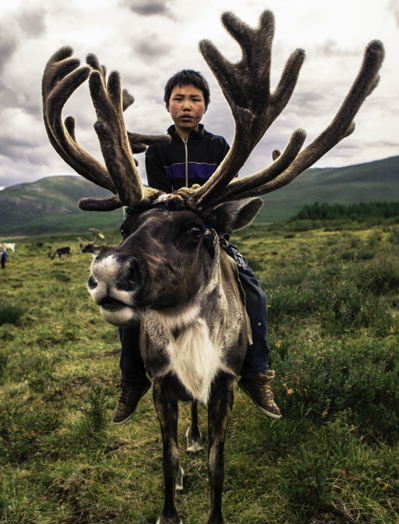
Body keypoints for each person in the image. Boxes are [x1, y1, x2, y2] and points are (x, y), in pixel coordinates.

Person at [112, 69, 281, 425]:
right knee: (129, 299)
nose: (186, 106)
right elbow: (156, 201)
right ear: (168, 106)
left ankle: (256, 374)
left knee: (254, 293)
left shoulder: (219, 146)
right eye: (178, 99)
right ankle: (132, 379)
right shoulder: (157, 150)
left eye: (195, 99)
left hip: (208, 239)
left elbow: (223, 192)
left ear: (205, 106)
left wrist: (206, 215)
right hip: (167, 243)